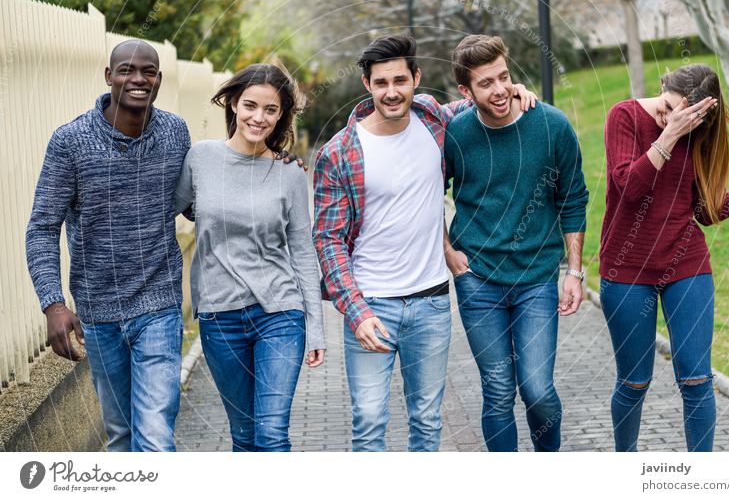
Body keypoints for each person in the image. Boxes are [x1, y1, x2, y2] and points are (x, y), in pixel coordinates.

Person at [312, 35, 536, 452]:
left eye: (401, 79)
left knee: (428, 421)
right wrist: (355, 311)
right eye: (381, 83)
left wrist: (513, 89)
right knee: (369, 421)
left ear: (416, 78)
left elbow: (480, 99)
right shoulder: (340, 152)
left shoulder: (434, 119)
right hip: (371, 304)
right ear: (367, 85)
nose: (392, 91)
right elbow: (327, 240)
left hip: (431, 302)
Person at [599, 63, 729, 452]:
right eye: (666, 108)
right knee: (634, 382)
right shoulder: (624, 116)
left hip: (686, 264)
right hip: (626, 270)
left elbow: (702, 211)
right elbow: (629, 188)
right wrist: (669, 133)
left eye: (682, 117)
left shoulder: (696, 132)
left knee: (696, 380)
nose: (669, 118)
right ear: (663, 85)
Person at [25, 40, 190, 452]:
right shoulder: (71, 142)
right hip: (99, 314)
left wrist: (267, 162)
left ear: (158, 79)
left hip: (159, 304)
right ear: (109, 76)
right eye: (127, 70)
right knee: (121, 436)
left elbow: (196, 203)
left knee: (154, 437)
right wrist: (53, 304)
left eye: (147, 71)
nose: (138, 79)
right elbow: (43, 226)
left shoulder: (175, 132)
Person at [444, 35, 589, 452]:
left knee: (538, 390)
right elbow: (426, 191)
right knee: (498, 391)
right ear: (465, 92)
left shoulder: (551, 125)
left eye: (504, 77)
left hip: (537, 278)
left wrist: (575, 272)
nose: (500, 89)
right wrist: (446, 250)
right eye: (485, 83)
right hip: (477, 279)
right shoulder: (455, 133)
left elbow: (573, 197)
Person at [174, 63, 325, 452]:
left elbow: (303, 252)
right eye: (250, 106)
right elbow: (173, 211)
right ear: (233, 105)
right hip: (219, 316)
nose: (259, 117)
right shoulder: (200, 158)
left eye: (271, 110)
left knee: (272, 435)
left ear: (282, 115)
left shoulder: (289, 174)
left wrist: (316, 326)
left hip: (279, 313)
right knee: (243, 438)